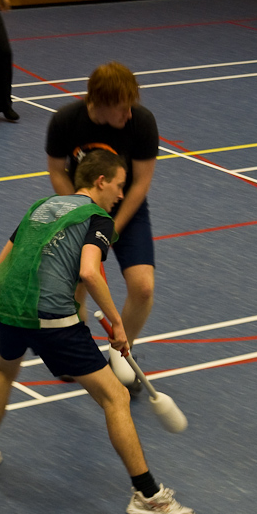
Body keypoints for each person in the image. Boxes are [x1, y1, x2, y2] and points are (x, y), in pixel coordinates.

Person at [0, 149, 196, 514]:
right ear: (101, 181)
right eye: (119, 185)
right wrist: (118, 325)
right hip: (53, 321)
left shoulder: (41, 207)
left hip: (11, 309)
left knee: (5, 372)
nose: (120, 195)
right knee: (116, 396)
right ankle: (147, 494)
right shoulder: (98, 219)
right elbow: (89, 272)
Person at [46, 62, 157, 370]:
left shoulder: (142, 123)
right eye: (122, 108)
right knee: (77, 287)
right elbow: (56, 171)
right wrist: (80, 213)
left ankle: (121, 354)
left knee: (143, 288)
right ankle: (77, 353)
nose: (129, 114)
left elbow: (141, 183)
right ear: (101, 103)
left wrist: (110, 229)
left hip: (126, 209)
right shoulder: (66, 121)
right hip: (79, 210)